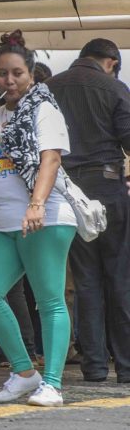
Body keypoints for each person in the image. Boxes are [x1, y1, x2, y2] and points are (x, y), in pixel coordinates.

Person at [0, 30, 77, 407]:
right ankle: (23, 372)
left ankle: (53, 384)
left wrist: (36, 204)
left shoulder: (43, 109)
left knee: (49, 301)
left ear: (30, 73)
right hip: (4, 223)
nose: (9, 80)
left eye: (16, 72)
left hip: (45, 217)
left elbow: (50, 159)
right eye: (2, 73)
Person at [47, 37, 130, 384]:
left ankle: (94, 365)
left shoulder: (50, 88)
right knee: (120, 277)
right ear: (110, 61)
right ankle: (126, 366)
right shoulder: (114, 88)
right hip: (108, 189)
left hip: (68, 193)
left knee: (85, 282)